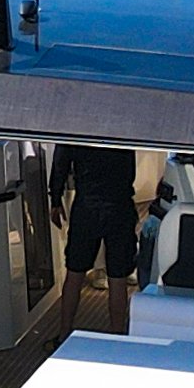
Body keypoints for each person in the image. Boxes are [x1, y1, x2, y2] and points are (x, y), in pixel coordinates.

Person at [51, 143, 153, 336]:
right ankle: (117, 336)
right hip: (120, 205)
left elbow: (60, 164)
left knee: (75, 271)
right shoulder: (124, 127)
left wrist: (55, 200)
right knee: (118, 277)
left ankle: (64, 334)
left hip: (86, 206)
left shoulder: (75, 126)